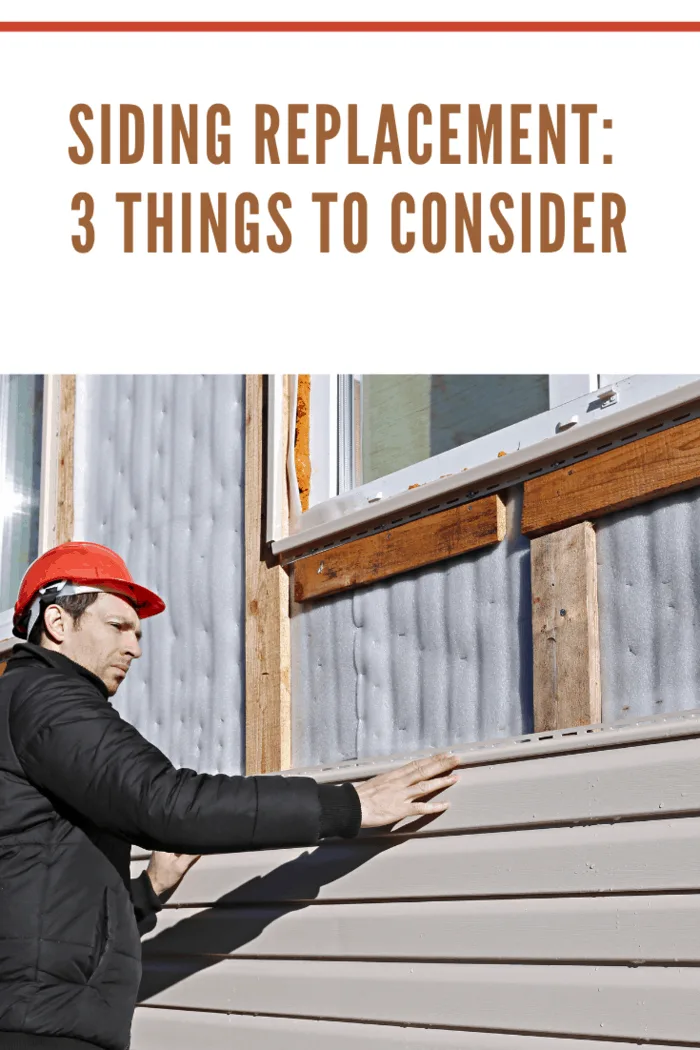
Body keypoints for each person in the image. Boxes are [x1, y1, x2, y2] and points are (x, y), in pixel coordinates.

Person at [0, 542, 459, 1050]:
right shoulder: (46, 701)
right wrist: (351, 805)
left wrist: (148, 890)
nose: (135, 648)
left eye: (138, 632)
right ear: (59, 623)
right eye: (117, 626)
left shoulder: (21, 707)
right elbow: (168, 804)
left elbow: (38, 903)